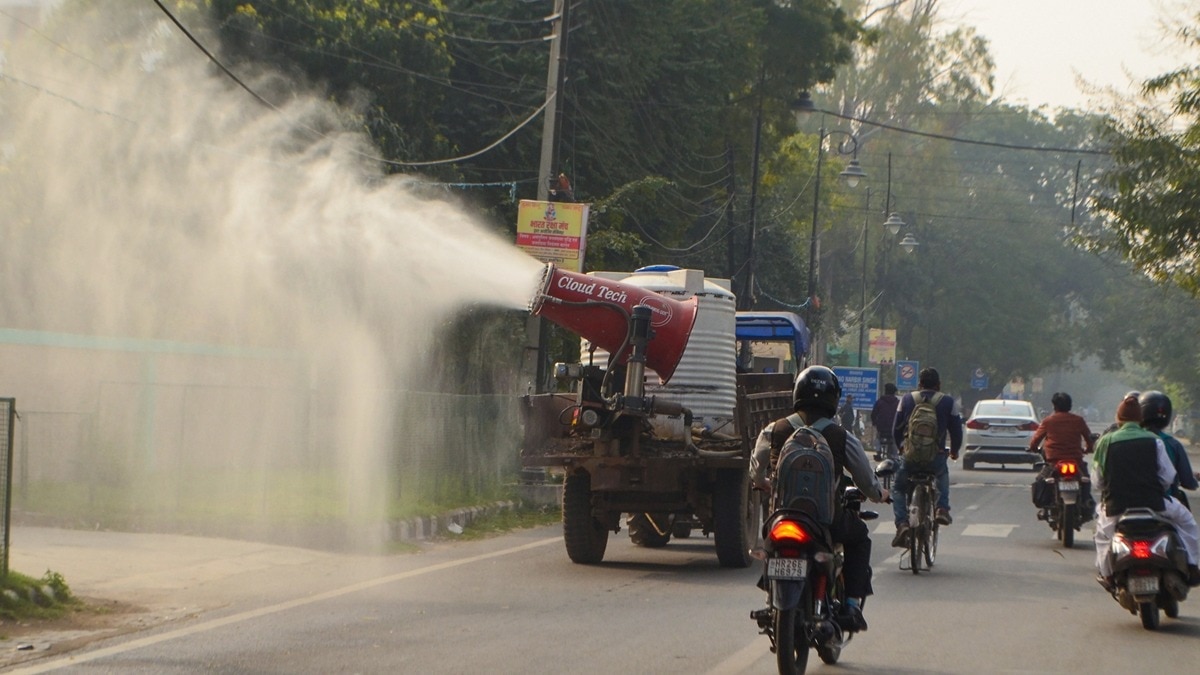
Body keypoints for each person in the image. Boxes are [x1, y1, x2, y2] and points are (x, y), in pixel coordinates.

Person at [750, 366, 889, 632]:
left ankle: (771, 595)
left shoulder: (775, 429)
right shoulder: (841, 437)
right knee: (859, 537)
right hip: (825, 520)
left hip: (781, 516)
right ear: (834, 399)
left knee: (770, 545)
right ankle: (850, 605)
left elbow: (756, 468)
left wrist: (762, 483)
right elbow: (866, 480)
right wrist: (879, 494)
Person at [1092, 395, 1200, 589]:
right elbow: (1168, 476)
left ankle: (1107, 575)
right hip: (1156, 504)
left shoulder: (1105, 442)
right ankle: (1193, 566)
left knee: (1102, 536)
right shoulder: (1155, 441)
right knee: (1188, 523)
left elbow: (1098, 481)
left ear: (1119, 418)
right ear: (1139, 418)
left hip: (1116, 508)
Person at [891, 367, 963, 546]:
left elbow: (896, 429)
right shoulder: (947, 401)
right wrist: (954, 451)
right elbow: (956, 431)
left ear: (919, 384)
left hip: (910, 458)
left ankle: (901, 524)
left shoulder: (907, 399)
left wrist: (901, 447)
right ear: (938, 385)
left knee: (898, 488)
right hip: (935, 457)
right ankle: (941, 508)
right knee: (942, 475)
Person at [1026, 391, 1095, 516]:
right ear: (1070, 405)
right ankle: (1087, 502)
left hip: (1053, 461)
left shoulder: (1048, 421)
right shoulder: (1078, 420)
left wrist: (1033, 448)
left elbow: (1035, 440)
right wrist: (1088, 448)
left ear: (1054, 406)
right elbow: (1089, 439)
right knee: (1086, 480)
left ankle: (1045, 506)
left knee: (1041, 480)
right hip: (1076, 460)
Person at [1139, 391, 1200, 509]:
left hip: (1127, 504)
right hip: (1163, 503)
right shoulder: (1173, 444)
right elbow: (1187, 482)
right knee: (1189, 526)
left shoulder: (1124, 441)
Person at [871, 383, 901, 460]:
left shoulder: (879, 402)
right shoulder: (897, 402)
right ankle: (895, 455)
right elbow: (901, 415)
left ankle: (878, 451)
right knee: (894, 440)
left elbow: (873, 414)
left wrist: (874, 422)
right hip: (893, 428)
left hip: (881, 427)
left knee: (878, 437)